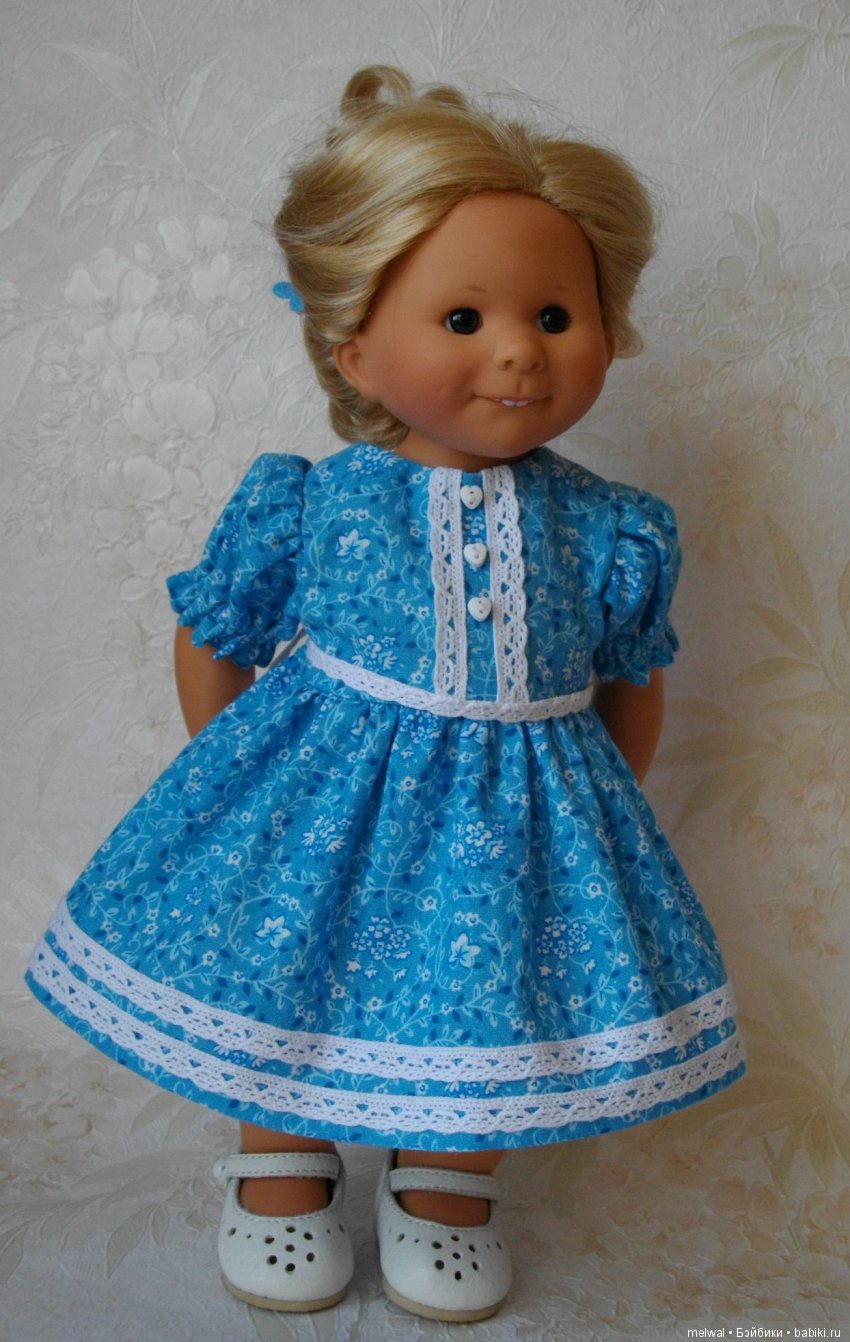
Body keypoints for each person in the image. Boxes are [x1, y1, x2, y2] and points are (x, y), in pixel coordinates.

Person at [27, 65, 745, 1323]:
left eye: (556, 314)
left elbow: (633, 681)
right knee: (280, 971)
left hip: (520, 823)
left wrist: (590, 808)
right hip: (318, 812)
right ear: (352, 343)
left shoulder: (612, 528)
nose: (517, 348)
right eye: (462, 318)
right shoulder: (318, 498)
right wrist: (238, 776)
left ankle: (447, 1183)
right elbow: (217, 633)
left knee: (492, 998)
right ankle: (281, 1167)